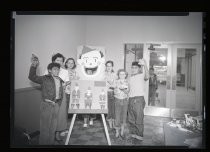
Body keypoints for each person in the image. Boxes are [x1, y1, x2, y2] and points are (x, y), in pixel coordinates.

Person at [28, 54, 64, 145]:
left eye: (58, 69)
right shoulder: (44, 78)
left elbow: (60, 93)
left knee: (53, 128)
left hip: (56, 105)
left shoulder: (60, 79)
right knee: (45, 128)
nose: (57, 71)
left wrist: (58, 103)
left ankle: (50, 143)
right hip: (46, 105)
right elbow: (32, 77)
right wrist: (34, 65)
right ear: (49, 70)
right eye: (55, 69)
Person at [44, 53, 69, 140]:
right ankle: (50, 134)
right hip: (50, 97)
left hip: (62, 96)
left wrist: (65, 85)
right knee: (50, 115)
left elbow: (66, 83)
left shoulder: (65, 71)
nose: (60, 62)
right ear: (53, 61)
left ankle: (57, 133)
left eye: (61, 61)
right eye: (57, 60)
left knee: (60, 115)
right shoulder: (48, 70)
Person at [127, 59, 149, 141]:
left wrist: (145, 65)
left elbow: (147, 76)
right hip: (130, 99)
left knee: (138, 118)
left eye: (135, 68)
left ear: (139, 68)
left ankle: (139, 135)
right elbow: (128, 90)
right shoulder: (130, 78)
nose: (133, 69)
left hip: (139, 99)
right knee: (131, 118)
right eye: (132, 67)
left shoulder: (141, 75)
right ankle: (133, 133)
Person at [114, 69, 129, 138]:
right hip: (117, 100)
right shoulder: (116, 82)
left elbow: (127, 92)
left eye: (123, 74)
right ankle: (117, 131)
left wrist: (123, 89)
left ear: (125, 75)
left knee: (124, 116)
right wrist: (118, 88)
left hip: (125, 100)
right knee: (117, 117)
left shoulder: (127, 82)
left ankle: (122, 130)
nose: (122, 75)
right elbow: (115, 92)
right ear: (118, 75)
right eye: (120, 74)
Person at [105, 60, 116, 129]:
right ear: (106, 67)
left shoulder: (115, 75)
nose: (109, 67)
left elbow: (116, 85)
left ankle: (114, 123)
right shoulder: (103, 74)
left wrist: (111, 84)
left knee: (114, 109)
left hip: (113, 93)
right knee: (108, 109)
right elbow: (100, 84)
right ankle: (110, 123)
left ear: (112, 67)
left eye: (110, 66)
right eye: (107, 66)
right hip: (106, 94)